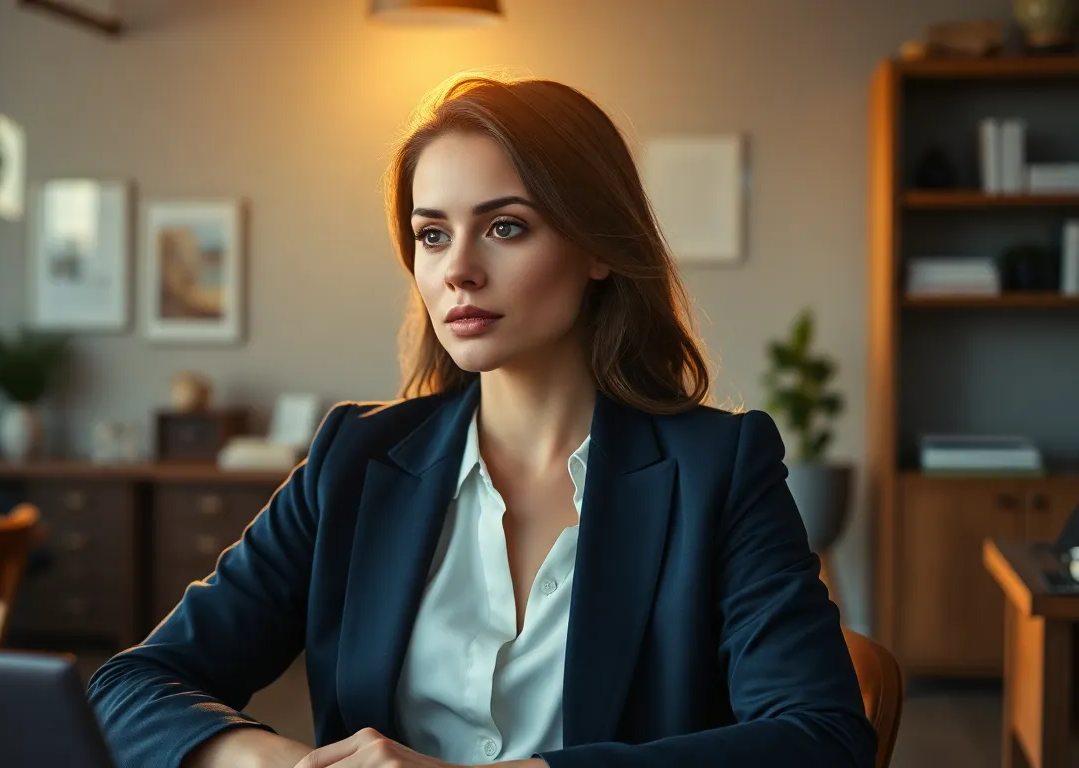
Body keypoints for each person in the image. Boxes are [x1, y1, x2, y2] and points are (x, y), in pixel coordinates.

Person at [87, 73, 877, 768]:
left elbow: (820, 739)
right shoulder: (354, 460)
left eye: (505, 226)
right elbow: (130, 686)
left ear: (598, 247)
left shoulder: (719, 469)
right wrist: (275, 763)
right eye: (432, 234)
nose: (458, 269)